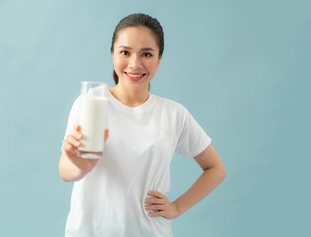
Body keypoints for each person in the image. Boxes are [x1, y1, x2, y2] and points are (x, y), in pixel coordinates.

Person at [59, 13, 226, 237]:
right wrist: (80, 165)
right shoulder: (91, 103)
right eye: (125, 52)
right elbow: (65, 171)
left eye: (146, 54)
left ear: (159, 59)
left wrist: (177, 207)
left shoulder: (174, 114)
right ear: (113, 54)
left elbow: (216, 169)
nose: (135, 64)